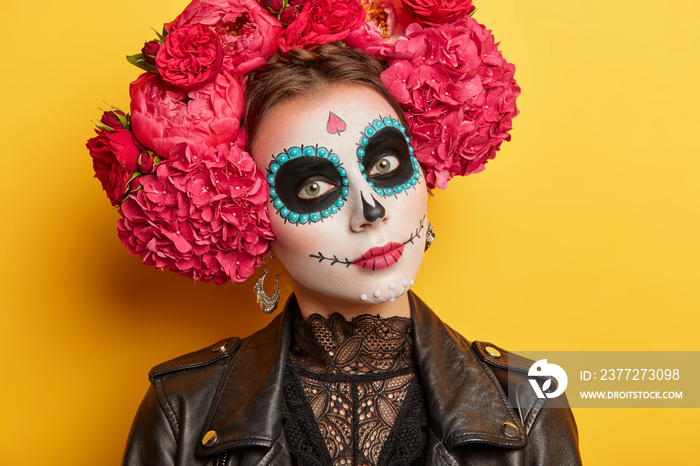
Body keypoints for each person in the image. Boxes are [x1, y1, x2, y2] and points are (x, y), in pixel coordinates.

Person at [87, 1, 582, 465]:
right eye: (313, 187)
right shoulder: (182, 411)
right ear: (248, 216)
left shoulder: (529, 406)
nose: (370, 210)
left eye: (386, 163)